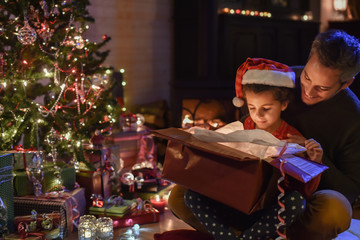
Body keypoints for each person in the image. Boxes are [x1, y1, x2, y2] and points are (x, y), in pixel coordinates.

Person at [167, 29, 360, 239]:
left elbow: (351, 191)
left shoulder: (353, 117)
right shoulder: (281, 80)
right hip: (248, 187)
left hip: (295, 201)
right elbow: (247, 126)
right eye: (306, 76)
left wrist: (317, 159)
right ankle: (249, 236)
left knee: (335, 210)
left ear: (346, 83)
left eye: (322, 88)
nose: (308, 91)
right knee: (180, 195)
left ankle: (247, 234)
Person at [185, 58, 323, 240]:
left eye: (266, 108)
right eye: (251, 107)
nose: (258, 115)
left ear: (283, 104)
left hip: (266, 213)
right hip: (232, 203)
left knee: (296, 202)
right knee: (191, 195)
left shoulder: (292, 138)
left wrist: (313, 161)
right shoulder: (242, 127)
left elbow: (303, 190)